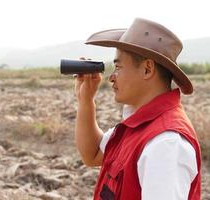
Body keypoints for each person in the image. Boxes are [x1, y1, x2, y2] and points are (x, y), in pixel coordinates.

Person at [74, 18, 201, 200]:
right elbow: (92, 154)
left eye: (118, 67)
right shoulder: (139, 126)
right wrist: (85, 99)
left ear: (147, 69)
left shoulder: (166, 144)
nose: (112, 77)